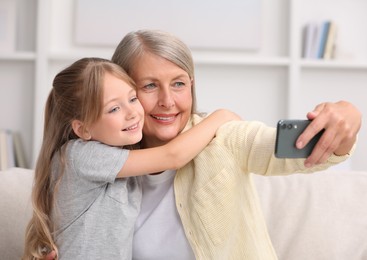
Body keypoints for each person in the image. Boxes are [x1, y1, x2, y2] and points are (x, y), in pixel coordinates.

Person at [44, 30, 361, 259]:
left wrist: (346, 118)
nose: (168, 101)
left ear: (192, 86)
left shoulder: (222, 138)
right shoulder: (99, 164)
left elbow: (275, 146)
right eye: (150, 86)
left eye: (179, 84)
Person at [22, 57, 240, 259]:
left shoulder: (121, 156)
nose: (132, 112)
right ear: (83, 128)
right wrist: (220, 117)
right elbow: (172, 156)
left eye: (133, 98)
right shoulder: (81, 155)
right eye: (114, 108)